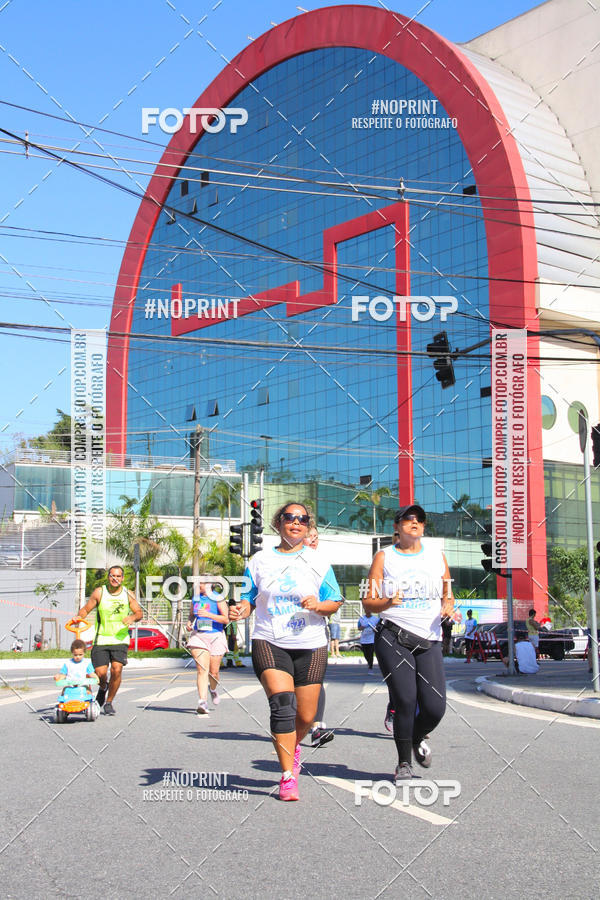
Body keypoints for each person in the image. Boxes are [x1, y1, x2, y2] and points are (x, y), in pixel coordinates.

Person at [229, 501, 343, 801]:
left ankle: (293, 746)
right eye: (289, 517)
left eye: (302, 519)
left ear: (308, 526)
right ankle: (287, 776)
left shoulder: (319, 561)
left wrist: (319, 605)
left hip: (311, 643)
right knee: (282, 705)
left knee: (305, 716)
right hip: (270, 640)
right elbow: (248, 597)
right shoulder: (259, 561)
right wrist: (241, 609)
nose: (296, 522)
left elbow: (334, 601)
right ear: (278, 523)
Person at [364, 504, 459, 782]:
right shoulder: (384, 557)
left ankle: (415, 737)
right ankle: (404, 763)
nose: (415, 522)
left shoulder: (436, 556)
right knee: (405, 700)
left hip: (429, 638)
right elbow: (368, 602)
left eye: (420, 519)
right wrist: (387, 602)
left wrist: (448, 606)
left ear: (424, 527)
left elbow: (448, 593)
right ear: (397, 526)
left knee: (435, 708)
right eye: (408, 519)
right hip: (393, 636)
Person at [76, 565, 143, 716]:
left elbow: (139, 612)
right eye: (112, 576)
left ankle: (109, 702)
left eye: (118, 576)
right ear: (108, 577)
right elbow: (86, 609)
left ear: (122, 578)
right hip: (101, 638)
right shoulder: (100, 592)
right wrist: (78, 617)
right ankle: (103, 687)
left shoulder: (128, 594)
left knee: (116, 670)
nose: (115, 579)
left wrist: (132, 617)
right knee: (101, 674)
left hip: (120, 639)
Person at [304, 526, 334, 749]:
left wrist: (320, 606)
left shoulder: (323, 566)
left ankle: (317, 729)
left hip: (315, 630)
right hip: (286, 633)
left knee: (316, 679)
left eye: (316, 537)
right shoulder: (281, 562)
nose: (313, 541)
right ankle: (293, 727)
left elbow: (333, 599)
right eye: (309, 537)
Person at [185, 582, 229, 714]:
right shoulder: (195, 598)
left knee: (213, 673)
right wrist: (189, 622)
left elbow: (226, 619)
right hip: (199, 636)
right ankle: (202, 702)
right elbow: (192, 614)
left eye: (201, 583)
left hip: (215, 636)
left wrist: (208, 615)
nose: (198, 585)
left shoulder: (218, 598)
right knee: (202, 669)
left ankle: (213, 689)